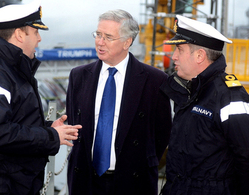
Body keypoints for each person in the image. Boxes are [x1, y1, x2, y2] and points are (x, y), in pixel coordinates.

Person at [0, 0, 81, 194]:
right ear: (19, 35)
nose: (39, 39)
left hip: (13, 182)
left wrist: (48, 128)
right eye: (35, 32)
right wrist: (50, 136)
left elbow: (14, 120)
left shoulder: (11, 70)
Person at [66, 9, 172, 195]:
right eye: (98, 34)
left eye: (108, 37)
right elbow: (76, 124)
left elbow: (162, 133)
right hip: (86, 182)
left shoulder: (155, 80)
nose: (100, 42)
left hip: (133, 182)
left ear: (127, 42)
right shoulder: (78, 76)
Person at [160, 15, 249, 195]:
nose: (173, 56)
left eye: (179, 50)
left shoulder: (230, 96)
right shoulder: (189, 90)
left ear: (199, 55)